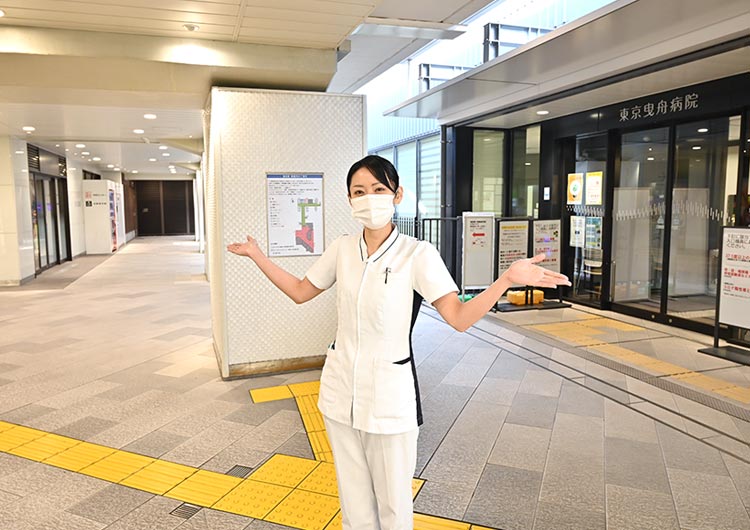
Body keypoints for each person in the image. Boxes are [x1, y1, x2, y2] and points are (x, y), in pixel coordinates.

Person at [227, 155, 570, 530]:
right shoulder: (342, 249)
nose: (368, 198)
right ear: (349, 199)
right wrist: (258, 256)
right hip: (340, 394)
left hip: (390, 399)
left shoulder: (417, 254)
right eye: (359, 191)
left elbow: (457, 317)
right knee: (353, 501)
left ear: (397, 194)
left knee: (394, 506)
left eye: (378, 189)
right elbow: (299, 291)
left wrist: (504, 281)